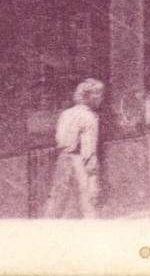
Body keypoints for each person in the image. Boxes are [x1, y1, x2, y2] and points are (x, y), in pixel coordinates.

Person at [44, 78, 103, 218]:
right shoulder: (89, 118)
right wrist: (93, 180)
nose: (102, 98)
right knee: (88, 204)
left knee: (56, 204)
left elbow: (59, 139)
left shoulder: (66, 114)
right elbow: (89, 152)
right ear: (91, 97)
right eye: (100, 95)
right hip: (79, 163)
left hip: (62, 160)